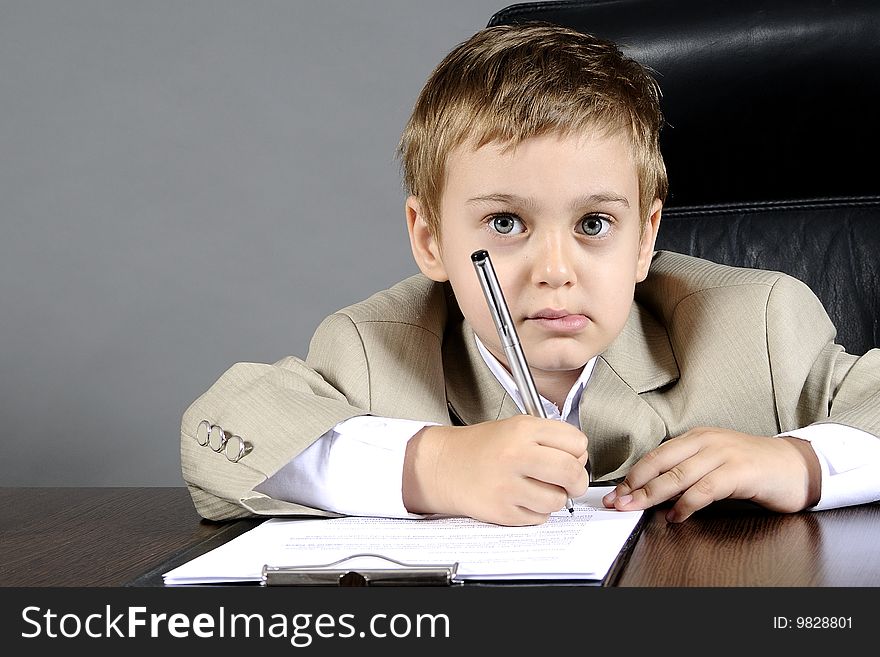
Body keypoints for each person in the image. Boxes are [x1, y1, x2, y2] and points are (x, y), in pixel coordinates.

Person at [181, 22, 880, 526]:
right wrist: (433, 466)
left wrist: (804, 465)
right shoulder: (375, 349)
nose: (554, 271)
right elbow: (216, 435)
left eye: (594, 225)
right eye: (507, 223)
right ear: (429, 239)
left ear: (647, 238)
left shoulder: (753, 326)